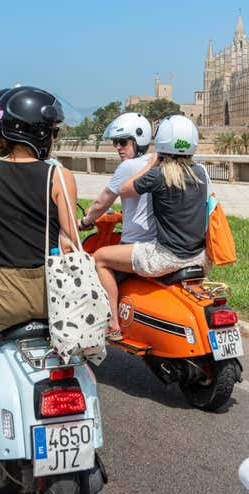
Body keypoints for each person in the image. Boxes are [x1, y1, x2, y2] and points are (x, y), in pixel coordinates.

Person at [94, 115, 209, 339]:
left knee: (100, 257)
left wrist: (150, 164)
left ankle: (112, 324)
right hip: (199, 256)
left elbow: (125, 189)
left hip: (166, 257)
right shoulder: (201, 172)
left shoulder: (158, 174)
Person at [0, 86, 80, 334]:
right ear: (39, 132)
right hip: (54, 297)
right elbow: (71, 240)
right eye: (54, 132)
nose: (54, 138)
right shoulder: (60, 176)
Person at [78, 113, 156, 243]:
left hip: (134, 242)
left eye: (123, 142)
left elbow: (102, 202)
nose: (118, 147)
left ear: (139, 140)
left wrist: (84, 222)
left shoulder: (127, 166)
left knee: (98, 259)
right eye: (115, 142)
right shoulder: (155, 161)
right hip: (156, 241)